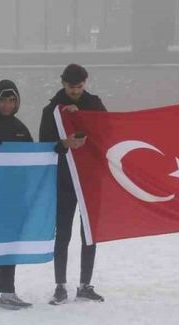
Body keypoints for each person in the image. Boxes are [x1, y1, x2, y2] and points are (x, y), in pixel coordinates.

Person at [0, 79, 85, 311]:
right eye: (3, 100)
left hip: (13, 197)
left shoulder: (20, 129)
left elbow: (37, 156)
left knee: (10, 244)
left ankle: (7, 293)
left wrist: (63, 145)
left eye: (12, 101)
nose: (8, 105)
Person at [39, 64, 106, 305]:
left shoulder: (95, 104)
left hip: (90, 179)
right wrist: (64, 142)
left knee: (89, 233)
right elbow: (44, 146)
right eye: (71, 87)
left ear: (85, 82)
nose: (75, 91)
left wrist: (82, 117)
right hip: (64, 180)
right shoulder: (51, 110)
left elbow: (106, 132)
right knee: (63, 233)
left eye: (79, 87)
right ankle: (60, 286)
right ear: (62, 83)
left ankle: (85, 285)